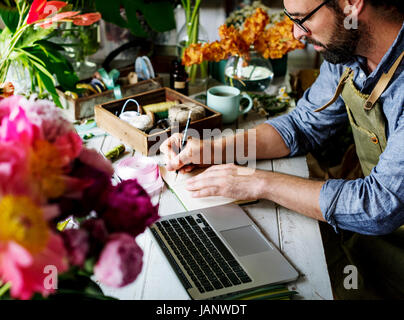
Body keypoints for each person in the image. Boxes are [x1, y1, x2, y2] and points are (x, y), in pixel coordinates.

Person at [160, 0, 404, 299]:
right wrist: (213, 149)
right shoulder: (347, 50)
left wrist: (258, 182)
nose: (296, 33)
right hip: (360, 233)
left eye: (303, 19)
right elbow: (303, 125)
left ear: (352, 4)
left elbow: (380, 206)